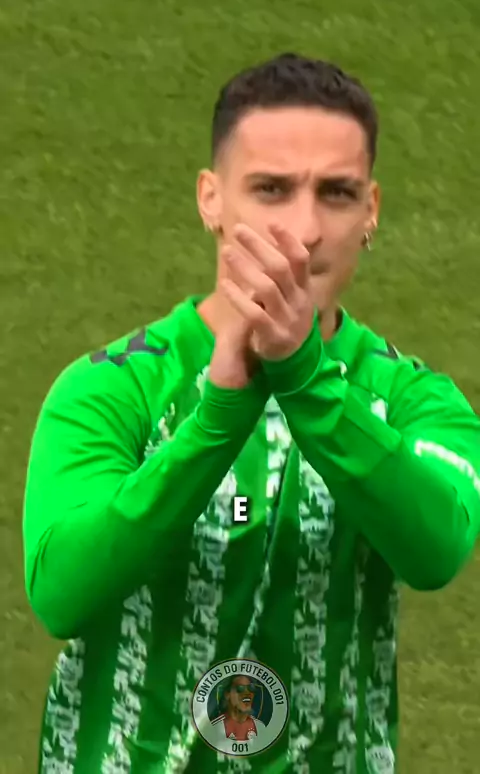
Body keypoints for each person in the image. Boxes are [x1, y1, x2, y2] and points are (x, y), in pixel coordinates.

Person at [23, 52, 480, 774]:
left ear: (371, 211)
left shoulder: (415, 399)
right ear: (211, 199)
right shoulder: (112, 388)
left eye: (336, 194)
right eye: (271, 189)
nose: (304, 229)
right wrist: (217, 421)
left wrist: (304, 380)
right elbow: (61, 593)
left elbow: (435, 550)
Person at [210, 676, 267, 742]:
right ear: (227, 695)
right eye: (240, 688)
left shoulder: (260, 727)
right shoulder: (214, 728)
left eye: (251, 688)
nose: (247, 692)